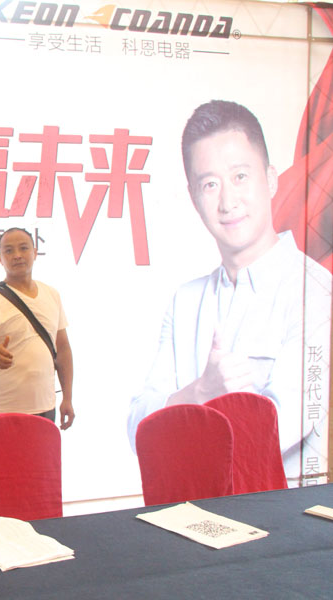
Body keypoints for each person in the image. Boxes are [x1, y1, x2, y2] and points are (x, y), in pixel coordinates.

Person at [127, 100, 331, 485]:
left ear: (271, 180)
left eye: (240, 176)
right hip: (190, 508)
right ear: (193, 198)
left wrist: (181, 418)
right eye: (210, 184)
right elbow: (138, 426)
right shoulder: (186, 302)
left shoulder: (316, 292)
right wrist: (201, 391)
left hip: (282, 515)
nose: (227, 201)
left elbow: (280, 428)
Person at [0, 227, 75, 428]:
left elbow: (63, 349)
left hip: (46, 405)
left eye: (23, 248)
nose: (17, 255)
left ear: (35, 252)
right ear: (0, 258)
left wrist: (68, 398)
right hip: (3, 408)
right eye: (9, 250)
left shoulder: (51, 294)